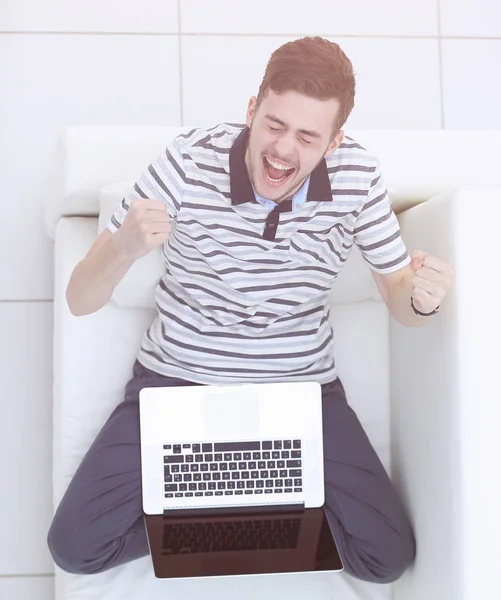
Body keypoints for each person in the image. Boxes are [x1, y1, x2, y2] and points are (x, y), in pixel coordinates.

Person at [47, 36, 454, 583]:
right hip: (177, 382)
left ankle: (247, 498)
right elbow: (79, 298)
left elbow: (399, 295)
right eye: (273, 124)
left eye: (307, 137)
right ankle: (253, 500)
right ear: (251, 109)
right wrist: (122, 246)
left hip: (301, 391)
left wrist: (421, 300)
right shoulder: (189, 161)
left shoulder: (358, 178)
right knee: (75, 547)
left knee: (386, 557)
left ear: (333, 144)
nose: (283, 150)